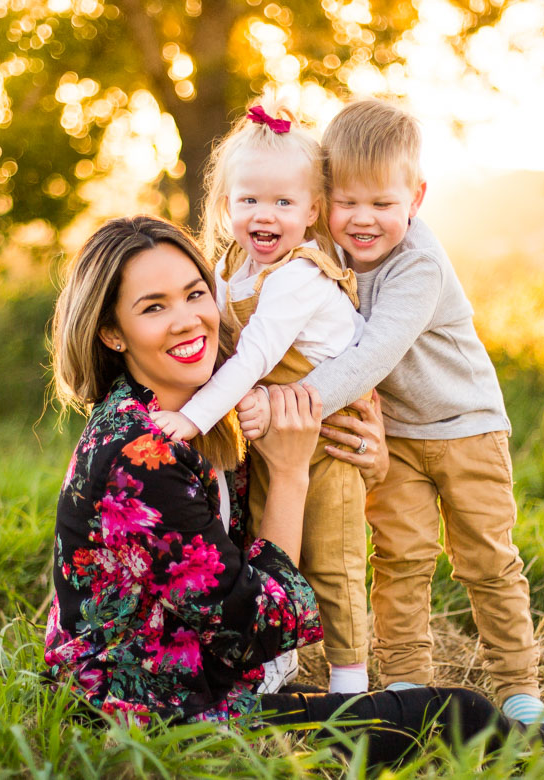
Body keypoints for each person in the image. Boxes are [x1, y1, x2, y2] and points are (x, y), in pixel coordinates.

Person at [44, 215, 517, 764]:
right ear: (112, 332)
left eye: (195, 294)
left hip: (195, 681)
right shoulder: (141, 453)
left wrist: (363, 461)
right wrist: (292, 473)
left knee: (415, 709)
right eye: (154, 307)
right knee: (455, 716)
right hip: (147, 716)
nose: (186, 320)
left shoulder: (206, 411)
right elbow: (255, 631)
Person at [240, 100, 544, 732]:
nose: (363, 219)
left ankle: (521, 690)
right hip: (397, 438)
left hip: (466, 428)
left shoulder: (419, 264)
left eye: (383, 204)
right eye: (346, 202)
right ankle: (407, 682)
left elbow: (368, 356)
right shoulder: (322, 254)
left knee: (487, 559)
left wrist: (279, 406)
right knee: (401, 559)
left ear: (417, 196)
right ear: (323, 197)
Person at [148, 100, 372, 694]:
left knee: (333, 559)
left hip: (329, 433)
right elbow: (218, 345)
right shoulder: (230, 267)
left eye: (283, 202)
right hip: (272, 433)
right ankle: (274, 660)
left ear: (313, 211)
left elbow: (251, 360)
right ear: (226, 206)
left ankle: (351, 687)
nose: (263, 215)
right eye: (249, 200)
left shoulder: (298, 275)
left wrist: (192, 419)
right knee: (266, 544)